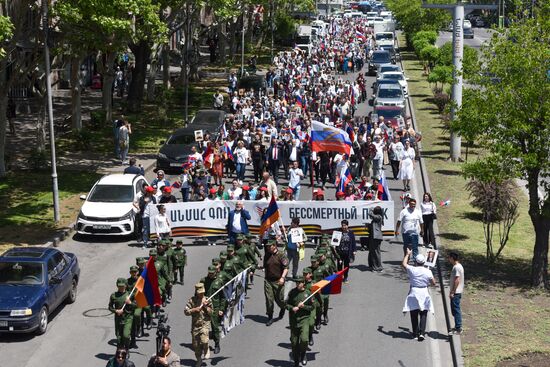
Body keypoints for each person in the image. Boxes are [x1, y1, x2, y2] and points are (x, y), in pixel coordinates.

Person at [401, 249, 436, 341]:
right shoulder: (428, 271)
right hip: (424, 292)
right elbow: (434, 283)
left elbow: (404, 264)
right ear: (424, 262)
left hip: (414, 292)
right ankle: (422, 333)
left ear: (416, 262)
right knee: (423, 313)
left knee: (414, 313)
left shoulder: (412, 269)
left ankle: (415, 333)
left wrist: (407, 254)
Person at [286, 276, 313, 367]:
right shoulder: (292, 293)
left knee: (304, 339)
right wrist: (292, 308)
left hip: (304, 319)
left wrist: (303, 306)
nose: (297, 284)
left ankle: (303, 354)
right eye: (296, 282)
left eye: (299, 282)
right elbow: (286, 304)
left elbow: (312, 307)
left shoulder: (308, 293)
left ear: (303, 283)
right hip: (294, 320)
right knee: (294, 343)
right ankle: (296, 361)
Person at [184, 283, 213, 367]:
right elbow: (185, 311)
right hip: (195, 325)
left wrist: (206, 307)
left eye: (202, 292)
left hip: (205, 324)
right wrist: (193, 310)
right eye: (199, 293)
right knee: (196, 345)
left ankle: (206, 348)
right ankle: (199, 359)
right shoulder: (192, 300)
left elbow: (211, 312)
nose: (201, 294)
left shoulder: (207, 300)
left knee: (204, 339)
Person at [263, 240, 289, 326]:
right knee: (269, 300)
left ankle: (283, 307)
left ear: (274, 246)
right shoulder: (267, 255)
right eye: (267, 246)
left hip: (278, 281)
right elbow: (265, 266)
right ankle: (270, 317)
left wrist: (282, 278)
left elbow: (286, 268)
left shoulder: (281, 255)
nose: (268, 247)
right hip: (268, 281)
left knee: (280, 299)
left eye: (270, 246)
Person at [108, 278, 136, 350]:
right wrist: (116, 311)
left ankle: (126, 348)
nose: (121, 288)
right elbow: (110, 307)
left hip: (128, 317)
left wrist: (130, 303)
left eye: (122, 286)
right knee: (119, 337)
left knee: (126, 335)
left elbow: (137, 306)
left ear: (126, 286)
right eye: (119, 286)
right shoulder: (113, 295)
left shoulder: (130, 295)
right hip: (118, 319)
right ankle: (121, 351)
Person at [448, 251, 464, 335]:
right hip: (456, 292)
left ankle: (458, 328)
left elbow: (457, 280)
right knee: (454, 310)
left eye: (449, 258)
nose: (448, 259)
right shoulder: (457, 266)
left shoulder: (457, 267)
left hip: (456, 292)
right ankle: (457, 326)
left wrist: (452, 292)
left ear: (452, 258)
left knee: (456, 310)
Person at [367, 206, 384, 272]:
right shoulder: (375, 219)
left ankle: (378, 267)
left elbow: (371, 214)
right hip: (372, 237)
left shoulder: (379, 217)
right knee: (371, 251)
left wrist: (370, 209)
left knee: (376, 252)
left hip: (376, 237)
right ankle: (371, 265)